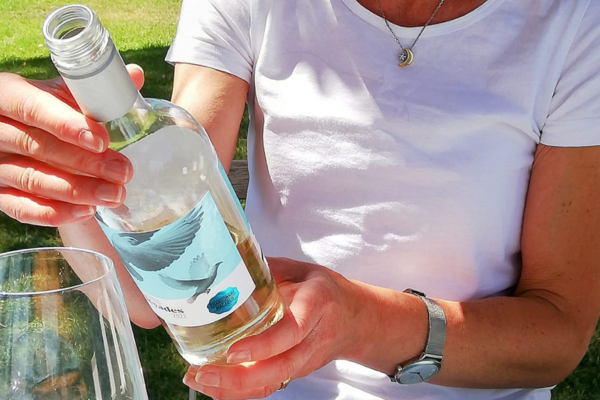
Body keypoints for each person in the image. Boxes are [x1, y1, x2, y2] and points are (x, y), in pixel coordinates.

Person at [1, 0, 600, 399]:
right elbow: (152, 298)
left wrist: (364, 323)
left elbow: (558, 331)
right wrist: (74, 181)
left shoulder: (573, 23)